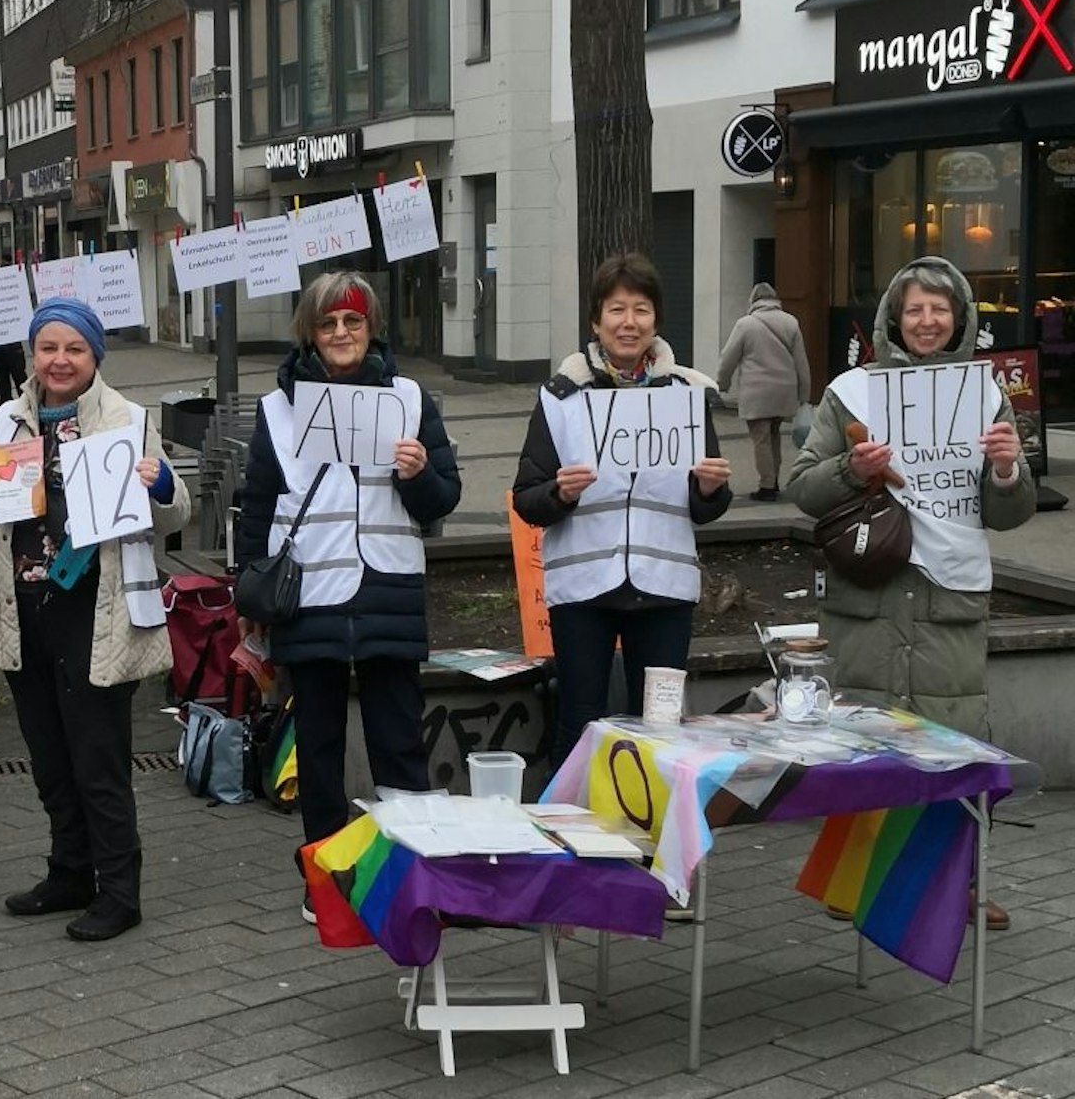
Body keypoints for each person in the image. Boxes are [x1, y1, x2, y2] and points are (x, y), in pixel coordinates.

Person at [788, 256, 1035, 927]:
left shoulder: (986, 393)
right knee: (863, 741)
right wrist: (849, 467)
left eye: (940, 308)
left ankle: (963, 885)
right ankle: (856, 880)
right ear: (893, 318)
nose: (927, 320)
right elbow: (803, 488)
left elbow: (1010, 512)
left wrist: (1009, 470)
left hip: (948, 592)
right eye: (915, 308)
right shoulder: (853, 393)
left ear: (960, 319)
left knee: (953, 741)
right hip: (871, 585)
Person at [0, 298, 188, 942]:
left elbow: (173, 516)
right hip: (23, 608)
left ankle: (119, 890)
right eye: (48, 347)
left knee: (97, 757)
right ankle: (69, 872)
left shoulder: (126, 418)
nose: (59, 360)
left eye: (74, 349)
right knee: (49, 755)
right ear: (32, 354)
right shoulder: (8, 418)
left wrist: (160, 483)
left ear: (95, 357)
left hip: (97, 608)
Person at [233, 271, 462, 923]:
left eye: (352, 322)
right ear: (310, 331)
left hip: (388, 588)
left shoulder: (410, 398)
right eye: (328, 323)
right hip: (311, 596)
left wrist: (418, 475)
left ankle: (410, 876)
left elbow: (443, 499)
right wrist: (247, 592)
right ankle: (328, 882)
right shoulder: (279, 407)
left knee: (399, 745)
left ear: (371, 328)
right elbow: (257, 507)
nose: (340, 334)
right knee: (320, 750)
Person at [512, 253, 732, 767]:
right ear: (596, 321)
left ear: (656, 320)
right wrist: (560, 494)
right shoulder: (561, 396)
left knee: (660, 727)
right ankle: (571, 836)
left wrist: (709, 488)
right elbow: (528, 497)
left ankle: (655, 842)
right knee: (581, 721)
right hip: (584, 586)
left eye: (641, 309)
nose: (628, 323)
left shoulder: (687, 395)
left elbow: (708, 506)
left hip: (664, 588)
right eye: (616, 310)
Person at [717, 283, 811, 501]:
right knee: (774, 435)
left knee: (761, 439)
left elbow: (728, 358)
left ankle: (766, 486)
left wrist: (722, 383)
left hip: (757, 393)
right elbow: (801, 363)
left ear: (753, 300)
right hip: (784, 392)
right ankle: (775, 480)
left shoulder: (745, 325)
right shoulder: (791, 322)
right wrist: (804, 395)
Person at [0, 260, 29, 402]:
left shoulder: (11, 290)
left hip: (12, 344)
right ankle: (4, 403)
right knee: (0, 377)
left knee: (19, 375)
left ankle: (26, 402)